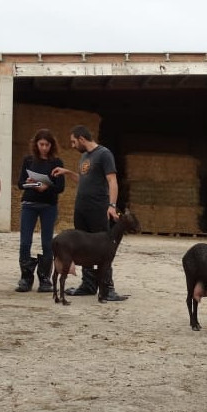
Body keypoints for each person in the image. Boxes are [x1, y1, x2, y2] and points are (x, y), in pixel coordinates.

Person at [53, 125, 128, 301]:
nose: (72, 145)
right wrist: (68, 172)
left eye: (73, 142)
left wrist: (112, 205)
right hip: (81, 208)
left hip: (97, 207)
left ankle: (107, 288)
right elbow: (84, 180)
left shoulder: (104, 154)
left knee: (102, 248)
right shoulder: (84, 157)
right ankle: (88, 285)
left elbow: (112, 180)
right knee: (83, 248)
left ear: (81, 138)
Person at [16, 128, 66, 292]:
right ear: (36, 144)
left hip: (48, 205)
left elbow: (60, 187)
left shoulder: (57, 163)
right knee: (25, 241)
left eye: (47, 145)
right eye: (41, 144)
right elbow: (20, 183)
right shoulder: (28, 160)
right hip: (29, 203)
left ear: (52, 145)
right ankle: (26, 277)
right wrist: (30, 182)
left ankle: (45, 278)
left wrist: (47, 186)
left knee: (47, 242)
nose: (44, 147)